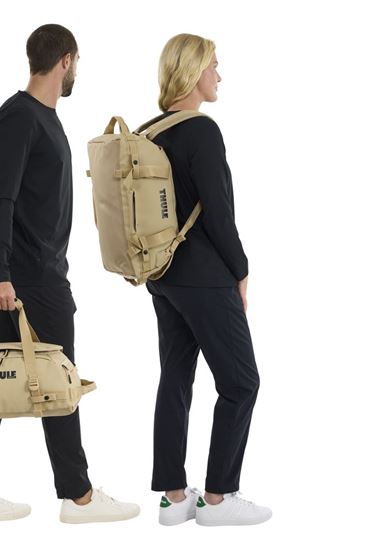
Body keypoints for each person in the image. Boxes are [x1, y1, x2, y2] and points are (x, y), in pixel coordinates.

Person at [0, 24, 140, 526]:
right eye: (77, 63)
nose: (76, 70)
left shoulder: (44, 118)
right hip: (29, 278)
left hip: (39, 273)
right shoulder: (19, 117)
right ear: (66, 60)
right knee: (61, 381)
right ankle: (78, 497)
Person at [143, 33, 272, 527]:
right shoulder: (202, 130)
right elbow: (218, 215)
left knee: (175, 379)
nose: (219, 74)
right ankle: (217, 497)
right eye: (214, 65)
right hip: (205, 277)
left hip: (163, 276)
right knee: (241, 382)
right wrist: (241, 269)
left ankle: (174, 498)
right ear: (194, 71)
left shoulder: (149, 131)